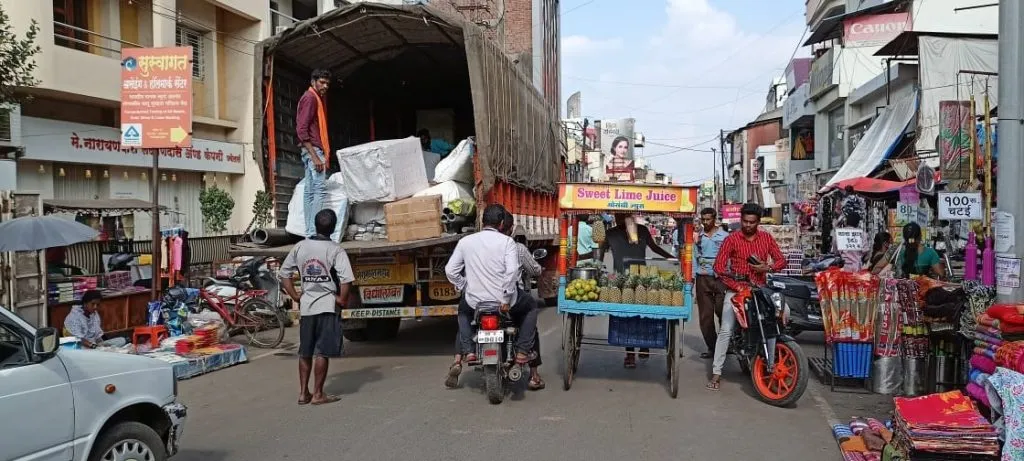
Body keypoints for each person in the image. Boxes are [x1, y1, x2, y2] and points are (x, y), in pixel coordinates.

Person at [444, 204, 538, 388]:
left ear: (482, 221)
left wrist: (464, 286)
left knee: (463, 312)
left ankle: (469, 351)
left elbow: (450, 270)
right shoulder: (507, 243)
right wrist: (505, 298)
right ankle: (521, 352)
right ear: (502, 223)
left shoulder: (466, 242)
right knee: (531, 307)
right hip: (504, 301)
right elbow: (511, 273)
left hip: (475, 302)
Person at [707, 203, 786, 391]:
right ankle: (716, 373)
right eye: (745, 221)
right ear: (740, 220)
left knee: (778, 318)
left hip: (761, 290)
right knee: (726, 329)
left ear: (758, 222)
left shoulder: (766, 238)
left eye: (752, 222)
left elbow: (781, 260)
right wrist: (736, 286)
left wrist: (768, 268)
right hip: (736, 290)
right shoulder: (732, 239)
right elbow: (718, 267)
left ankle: (769, 363)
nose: (748, 225)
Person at [280, 209, 354, 406]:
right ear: (334, 226)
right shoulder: (335, 249)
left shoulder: (300, 247)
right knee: (322, 351)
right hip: (327, 305)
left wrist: (295, 295)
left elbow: (284, 274)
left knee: (305, 350)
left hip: (307, 307)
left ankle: (304, 393)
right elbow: (346, 279)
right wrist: (342, 299)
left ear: (315, 224)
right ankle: (318, 394)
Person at [600, 214, 676, 368]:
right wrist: (591, 263)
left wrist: (670, 257)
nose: (622, 219)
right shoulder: (610, 233)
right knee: (625, 316)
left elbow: (654, 247)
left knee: (643, 314)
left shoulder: (642, 230)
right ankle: (630, 353)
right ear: (616, 216)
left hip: (642, 277)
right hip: (620, 280)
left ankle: (644, 344)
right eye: (619, 216)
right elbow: (599, 253)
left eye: (625, 216)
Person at [502, 213, 546, 390]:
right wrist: (539, 269)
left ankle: (461, 355)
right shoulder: (517, 248)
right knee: (530, 323)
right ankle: (533, 375)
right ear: (510, 228)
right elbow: (534, 270)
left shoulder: (476, 246)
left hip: (484, 300)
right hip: (513, 299)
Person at [296, 68, 332, 238]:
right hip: (313, 150)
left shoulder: (312, 97)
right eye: (322, 82)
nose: (325, 86)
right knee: (319, 191)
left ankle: (310, 232)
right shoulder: (311, 98)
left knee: (310, 191)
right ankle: (316, 232)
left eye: (327, 83)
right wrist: (315, 155)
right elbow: (302, 129)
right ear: (313, 82)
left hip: (309, 150)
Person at [692, 208, 730, 359]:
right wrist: (692, 278)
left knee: (723, 314)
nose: (706, 222)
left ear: (715, 219)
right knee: (705, 317)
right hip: (703, 279)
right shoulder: (698, 238)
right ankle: (713, 348)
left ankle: (727, 344)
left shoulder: (725, 236)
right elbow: (694, 257)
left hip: (721, 279)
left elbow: (729, 257)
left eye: (708, 219)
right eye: (703, 219)